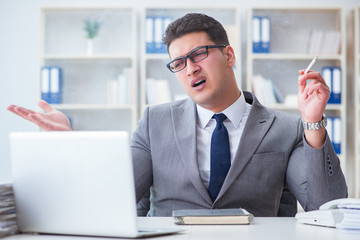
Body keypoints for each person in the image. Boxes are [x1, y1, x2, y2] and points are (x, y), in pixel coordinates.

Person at [7, 13, 347, 217]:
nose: (190, 69)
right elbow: (113, 196)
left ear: (228, 55)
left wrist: (314, 124)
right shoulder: (154, 122)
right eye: (178, 63)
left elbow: (326, 206)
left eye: (198, 54)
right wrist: (72, 144)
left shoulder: (285, 128)